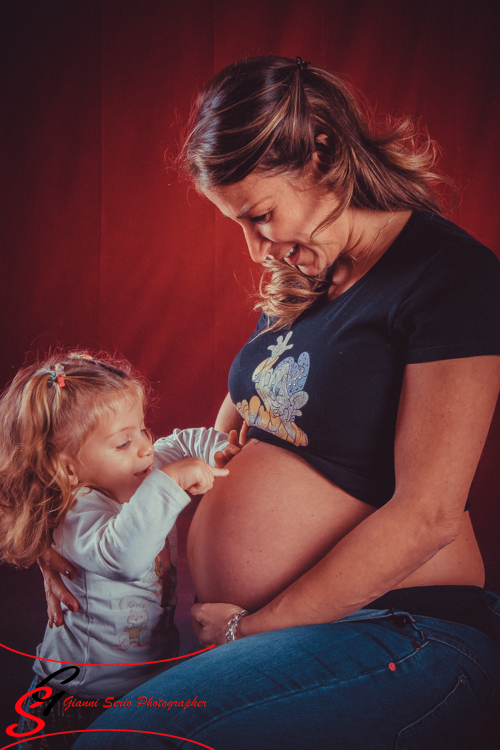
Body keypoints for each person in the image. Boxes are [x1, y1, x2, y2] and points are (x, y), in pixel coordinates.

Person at [57, 55, 500, 748]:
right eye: (237, 221)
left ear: (323, 151)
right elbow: (217, 453)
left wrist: (249, 628)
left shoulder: (449, 276)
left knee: (122, 744)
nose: (255, 245)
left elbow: (429, 515)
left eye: (260, 215)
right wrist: (71, 537)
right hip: (280, 632)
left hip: (402, 627)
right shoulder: (305, 275)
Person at [0, 351, 235, 748]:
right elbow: (122, 557)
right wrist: (170, 483)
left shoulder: (143, 462)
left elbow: (182, 441)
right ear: (69, 469)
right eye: (124, 441)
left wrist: (219, 449)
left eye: (143, 428)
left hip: (145, 680)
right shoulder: (75, 510)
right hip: (77, 699)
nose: (145, 447)